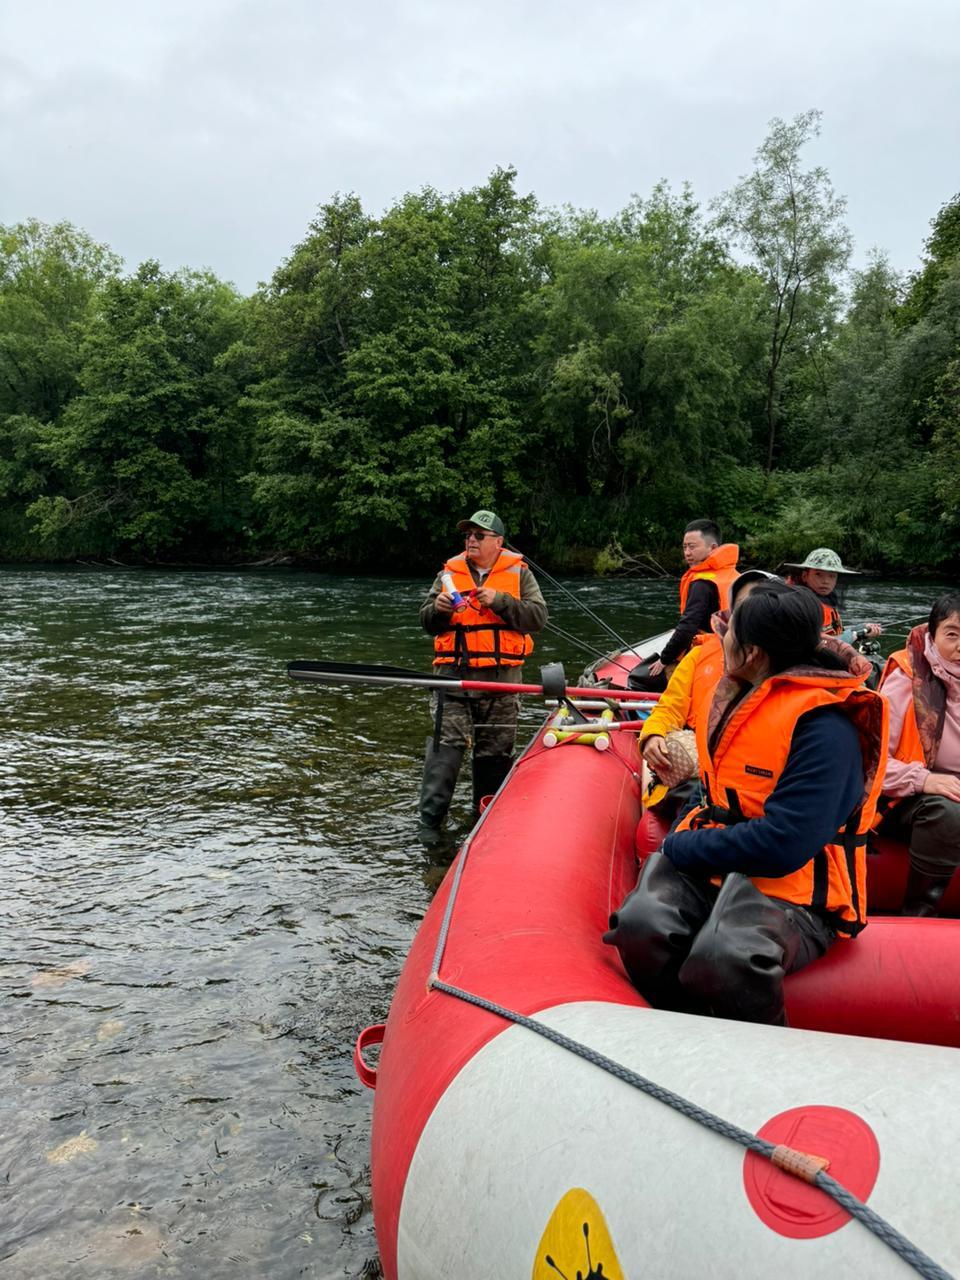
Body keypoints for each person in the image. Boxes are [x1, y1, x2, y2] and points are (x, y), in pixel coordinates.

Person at [604, 587, 887, 1026]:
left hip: (797, 885)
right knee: (641, 927)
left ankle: (757, 1065)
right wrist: (683, 836)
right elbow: (714, 788)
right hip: (723, 858)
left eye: (729, 632)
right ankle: (678, 1034)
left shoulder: (826, 727)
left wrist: (677, 849)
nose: (721, 640)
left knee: (724, 958)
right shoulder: (743, 694)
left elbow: (784, 845)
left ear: (752, 652)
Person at [417, 509, 547, 846]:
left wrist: (502, 601)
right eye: (468, 535)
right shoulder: (448, 573)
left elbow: (537, 618)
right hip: (453, 682)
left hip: (501, 685)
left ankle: (485, 825)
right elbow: (427, 621)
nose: (471, 541)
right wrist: (440, 610)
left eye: (479, 535)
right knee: (444, 756)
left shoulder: (519, 574)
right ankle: (430, 830)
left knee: (494, 759)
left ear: (498, 542)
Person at [639, 570, 787, 812]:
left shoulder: (792, 664)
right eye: (743, 606)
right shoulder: (700, 655)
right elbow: (670, 706)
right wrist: (652, 735)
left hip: (760, 781)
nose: (750, 614)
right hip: (704, 768)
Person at [875, 591, 960, 916]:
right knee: (948, 812)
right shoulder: (906, 681)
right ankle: (919, 913)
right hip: (903, 798)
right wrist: (925, 780)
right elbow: (870, 763)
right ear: (933, 635)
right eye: (952, 634)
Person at [629, 520, 739, 692]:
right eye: (685, 547)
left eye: (692, 547)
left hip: (707, 654)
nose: (687, 553)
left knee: (638, 678)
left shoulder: (702, 583)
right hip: (732, 651)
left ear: (713, 547)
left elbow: (687, 628)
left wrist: (664, 660)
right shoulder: (736, 576)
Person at [782, 548, 882, 643]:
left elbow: (835, 633)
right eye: (818, 574)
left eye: (832, 576)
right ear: (805, 576)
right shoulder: (799, 605)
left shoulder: (827, 601)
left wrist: (862, 630)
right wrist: (850, 636)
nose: (826, 581)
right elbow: (812, 645)